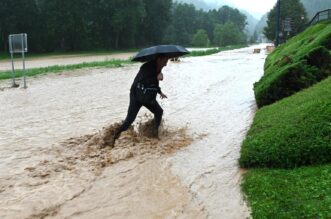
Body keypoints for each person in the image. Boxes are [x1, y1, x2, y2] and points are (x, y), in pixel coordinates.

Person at [104, 56, 169, 147]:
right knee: (129, 120)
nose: (166, 63)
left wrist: (160, 91)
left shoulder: (158, 67)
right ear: (159, 59)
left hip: (147, 97)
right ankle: (113, 138)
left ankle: (154, 134)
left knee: (159, 112)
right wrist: (156, 77)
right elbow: (143, 80)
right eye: (165, 60)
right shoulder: (146, 67)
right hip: (136, 95)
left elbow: (154, 84)